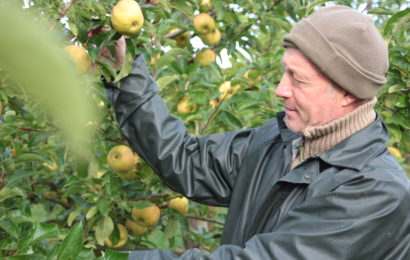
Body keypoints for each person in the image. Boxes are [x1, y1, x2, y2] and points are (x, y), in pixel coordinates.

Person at [104, 5, 410, 259]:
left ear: (347, 92)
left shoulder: (375, 193)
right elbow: (185, 159)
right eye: (283, 71)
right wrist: (126, 71)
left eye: (297, 79)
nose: (280, 89)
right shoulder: (280, 143)